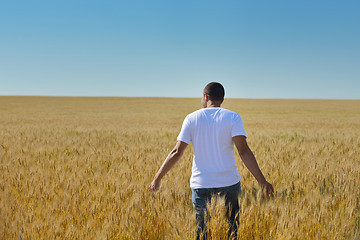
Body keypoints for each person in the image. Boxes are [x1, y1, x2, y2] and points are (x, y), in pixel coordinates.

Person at [149, 82, 274, 239]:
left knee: (202, 232)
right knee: (232, 231)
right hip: (229, 183)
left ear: (205, 97)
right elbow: (243, 151)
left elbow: (177, 152)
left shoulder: (191, 118)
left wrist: (157, 179)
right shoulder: (233, 117)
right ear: (222, 99)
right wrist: (262, 181)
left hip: (201, 185)